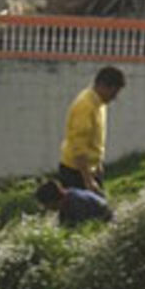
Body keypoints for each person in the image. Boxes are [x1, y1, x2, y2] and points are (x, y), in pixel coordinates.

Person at [58, 65, 126, 194]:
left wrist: (98, 166)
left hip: (90, 170)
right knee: (84, 211)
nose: (114, 98)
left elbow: (94, 139)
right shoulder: (85, 106)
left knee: (100, 210)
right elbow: (79, 147)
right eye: (113, 93)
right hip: (76, 171)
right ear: (103, 86)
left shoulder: (99, 104)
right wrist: (88, 180)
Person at [35, 178, 113, 228]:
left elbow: (82, 229)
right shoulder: (67, 197)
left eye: (45, 205)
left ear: (51, 201)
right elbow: (63, 225)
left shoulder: (76, 202)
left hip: (106, 221)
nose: (46, 208)